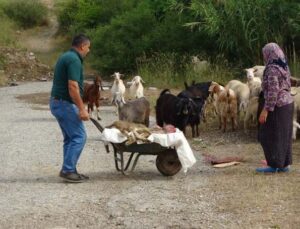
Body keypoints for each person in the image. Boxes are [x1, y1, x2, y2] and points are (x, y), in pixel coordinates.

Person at [50, 34, 90, 182]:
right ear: (82, 46)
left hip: (58, 102)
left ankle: (69, 169)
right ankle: (68, 170)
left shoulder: (66, 56)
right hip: (64, 103)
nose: (88, 50)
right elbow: (72, 86)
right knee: (79, 137)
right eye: (88, 47)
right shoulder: (74, 60)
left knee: (70, 138)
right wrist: (82, 108)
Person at [256, 42, 294, 173]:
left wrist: (265, 110)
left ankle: (274, 164)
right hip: (287, 104)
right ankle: (284, 164)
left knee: (269, 134)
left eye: (264, 54)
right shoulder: (283, 66)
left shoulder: (271, 69)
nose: (264, 56)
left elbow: (273, 91)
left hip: (277, 106)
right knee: (283, 135)